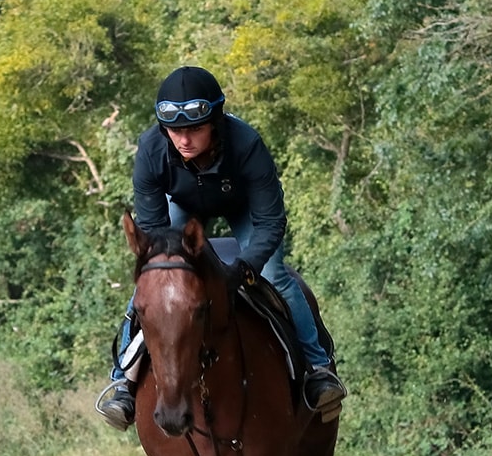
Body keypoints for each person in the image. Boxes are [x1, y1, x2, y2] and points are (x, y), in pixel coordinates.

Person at [96, 66, 345, 429]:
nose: (183, 140)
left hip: (244, 208)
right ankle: (123, 380)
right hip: (183, 205)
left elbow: (271, 222)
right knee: (156, 284)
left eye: (194, 128)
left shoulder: (247, 144)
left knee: (275, 273)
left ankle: (318, 368)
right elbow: (151, 232)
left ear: (215, 121)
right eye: (175, 130)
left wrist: (243, 267)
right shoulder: (151, 149)